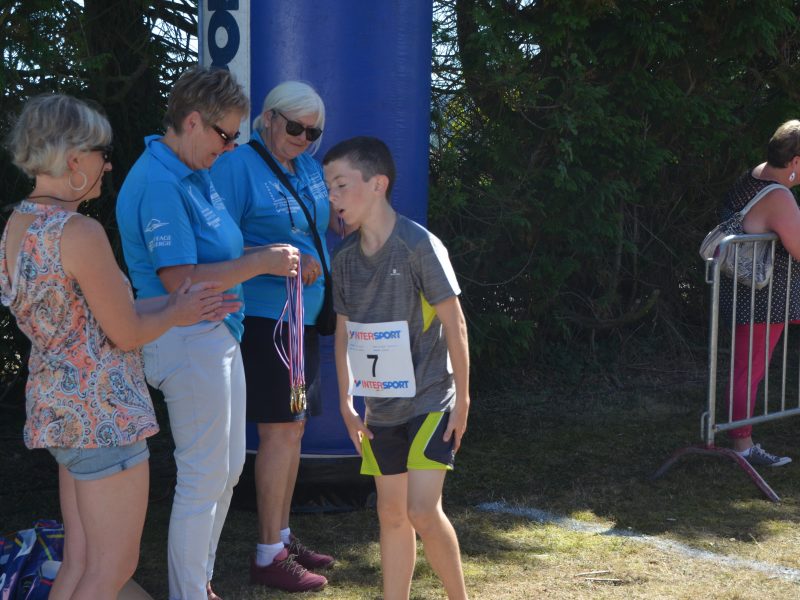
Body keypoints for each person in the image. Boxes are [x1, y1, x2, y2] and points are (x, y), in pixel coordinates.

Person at [1, 94, 234, 600]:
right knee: (112, 568)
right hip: (103, 417)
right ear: (73, 159)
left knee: (79, 562)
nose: (108, 165)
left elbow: (94, 320)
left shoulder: (16, 226)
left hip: (60, 412)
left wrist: (177, 302)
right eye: (102, 153)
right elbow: (125, 333)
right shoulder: (79, 233)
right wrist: (179, 312)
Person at [116, 67, 301, 600]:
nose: (231, 146)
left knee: (225, 471)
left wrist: (258, 258)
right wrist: (261, 262)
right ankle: (190, 591)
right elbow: (181, 281)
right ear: (193, 121)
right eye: (226, 135)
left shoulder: (189, 170)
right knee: (204, 476)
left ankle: (198, 584)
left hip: (212, 334)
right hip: (186, 339)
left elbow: (211, 259)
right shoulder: (160, 181)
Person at [324, 137, 470, 600]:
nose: (333, 197)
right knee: (390, 514)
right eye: (328, 188)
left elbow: (455, 323)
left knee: (421, 510)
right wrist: (347, 404)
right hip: (380, 408)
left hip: (431, 397)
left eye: (341, 185)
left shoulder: (419, 245)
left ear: (378, 184)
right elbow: (344, 334)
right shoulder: (343, 259)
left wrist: (464, 400)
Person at [210, 80, 332, 593]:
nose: (303, 139)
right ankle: (267, 553)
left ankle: (281, 537)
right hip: (265, 320)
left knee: (294, 428)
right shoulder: (238, 166)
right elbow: (215, 245)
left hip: (304, 319)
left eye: (313, 133)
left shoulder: (306, 166)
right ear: (269, 118)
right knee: (279, 432)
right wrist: (273, 259)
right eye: (295, 127)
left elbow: (317, 220)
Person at [718, 119, 800, 467]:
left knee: (747, 368)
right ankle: (743, 445)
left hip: (749, 294)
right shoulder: (779, 196)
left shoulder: (756, 175)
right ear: (795, 161)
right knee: (748, 370)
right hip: (763, 299)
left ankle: (742, 441)